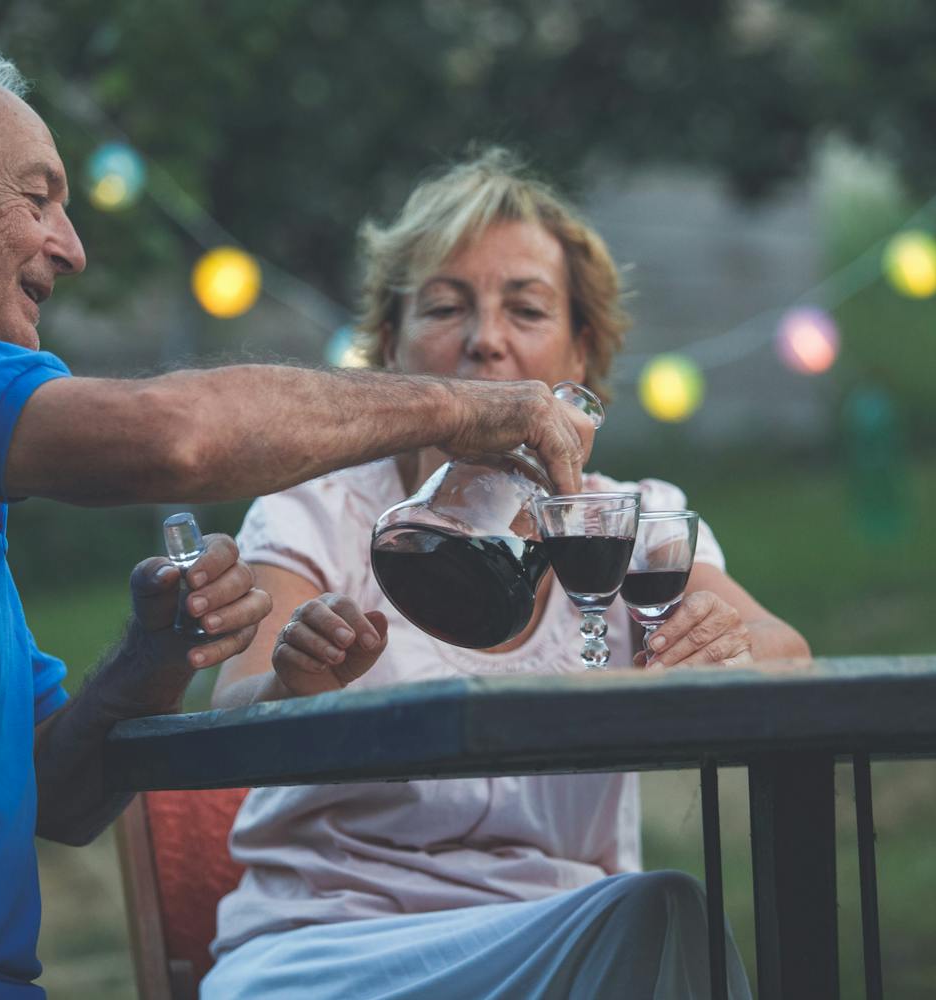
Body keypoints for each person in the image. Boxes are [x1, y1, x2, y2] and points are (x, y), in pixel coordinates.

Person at [0, 39, 596, 1000]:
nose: (70, 244)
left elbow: (58, 795)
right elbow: (173, 438)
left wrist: (152, 658)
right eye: (36, 196)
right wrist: (471, 407)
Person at [204, 149, 811, 999]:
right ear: (386, 344)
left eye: (525, 309)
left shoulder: (627, 519)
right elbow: (229, 708)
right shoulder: (320, 507)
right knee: (660, 919)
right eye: (447, 306)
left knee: (656, 912)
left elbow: (789, 652)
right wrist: (287, 681)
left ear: (582, 350)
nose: (486, 340)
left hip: (567, 941)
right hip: (339, 942)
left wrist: (732, 644)